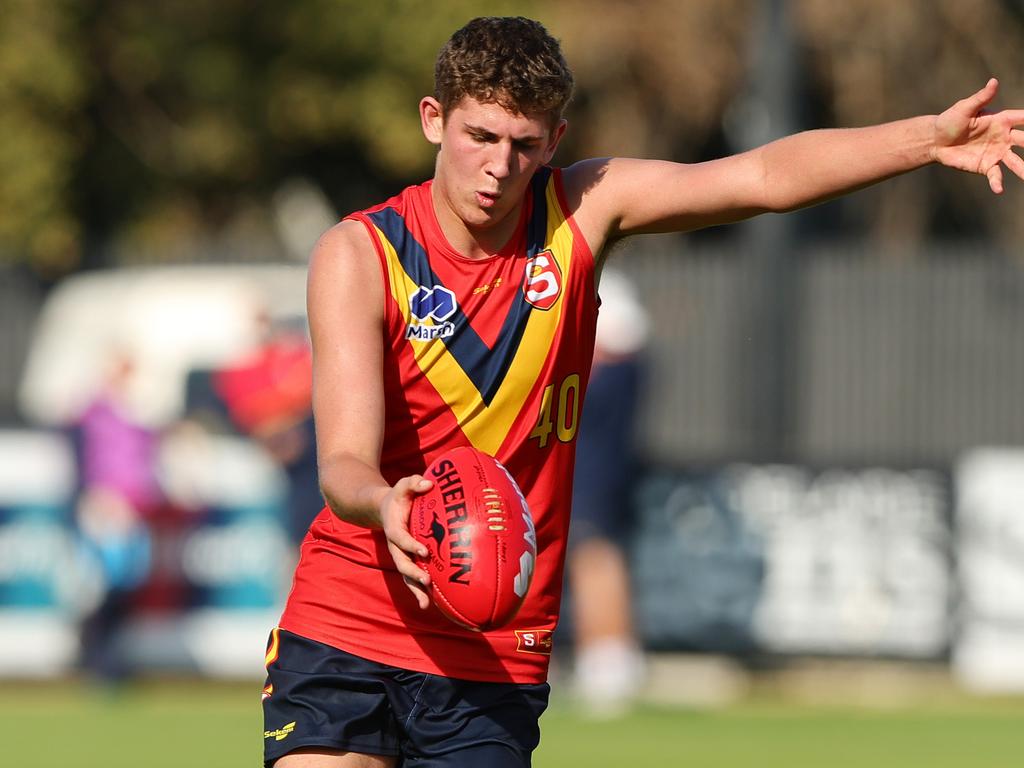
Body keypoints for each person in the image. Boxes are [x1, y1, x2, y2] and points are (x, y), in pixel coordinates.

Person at [263, 16, 1024, 767]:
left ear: (554, 142)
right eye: (480, 137)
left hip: (494, 641)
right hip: (347, 619)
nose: (499, 166)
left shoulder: (583, 208)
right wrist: (387, 502)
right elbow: (344, 462)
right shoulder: (361, 254)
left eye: (525, 144)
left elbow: (760, 178)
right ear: (434, 120)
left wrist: (925, 139)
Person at [565, 267, 649, 716]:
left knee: (595, 557)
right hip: (599, 467)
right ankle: (605, 662)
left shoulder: (613, 370)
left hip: (593, 470)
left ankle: (609, 664)